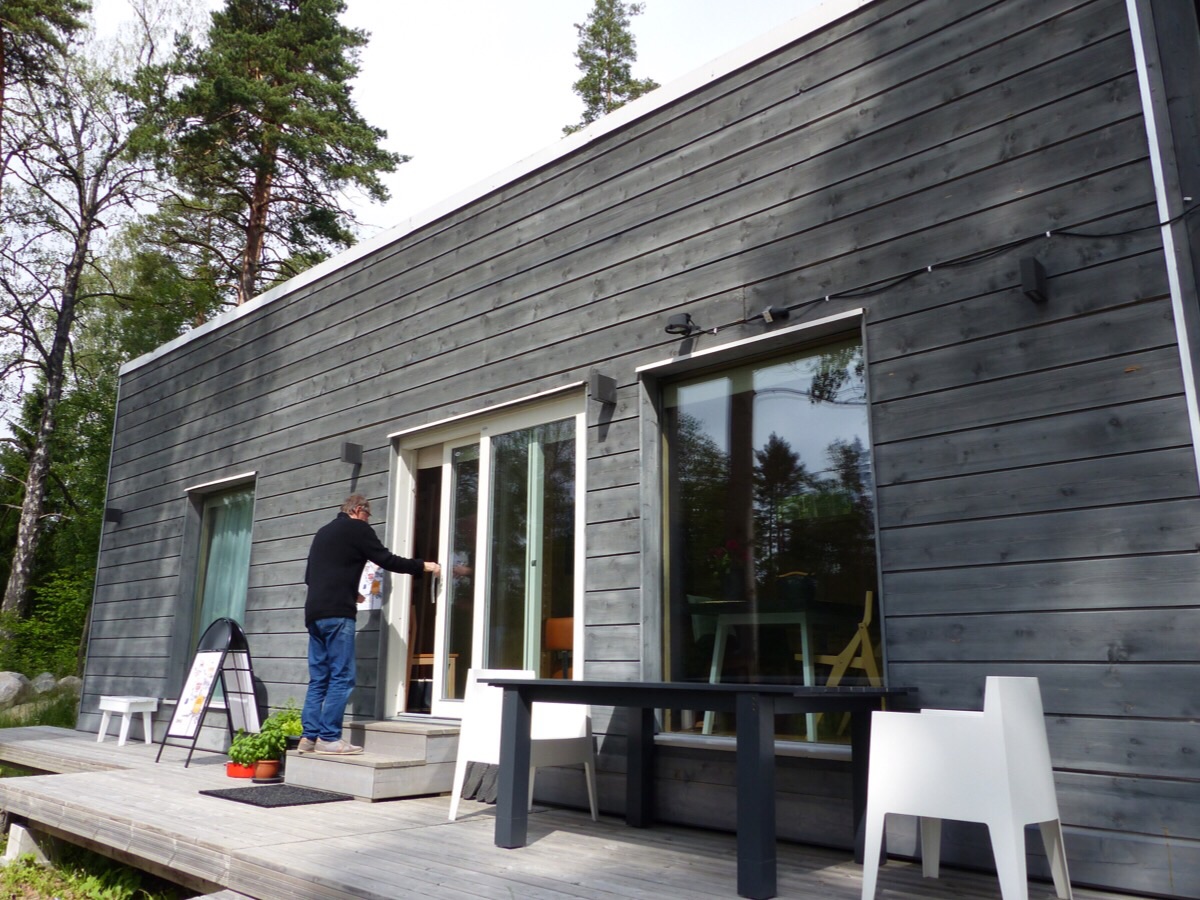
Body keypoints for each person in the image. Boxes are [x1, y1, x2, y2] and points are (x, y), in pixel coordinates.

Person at [300, 494, 441, 754]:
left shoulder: (323, 532)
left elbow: (311, 576)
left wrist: (349, 591)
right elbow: (386, 559)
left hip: (315, 614)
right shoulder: (357, 528)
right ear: (357, 510)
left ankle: (308, 738)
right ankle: (329, 738)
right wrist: (423, 566)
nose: (368, 520)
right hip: (338, 615)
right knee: (342, 676)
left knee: (319, 678)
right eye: (367, 515)